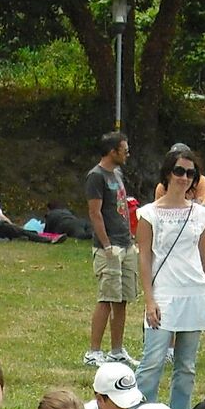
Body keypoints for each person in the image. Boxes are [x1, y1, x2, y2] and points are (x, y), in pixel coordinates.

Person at [135, 148, 205, 409]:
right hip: (164, 292)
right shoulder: (148, 214)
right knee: (152, 361)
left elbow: (203, 252)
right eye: (179, 171)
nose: (184, 177)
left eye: (190, 173)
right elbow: (144, 256)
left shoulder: (201, 214)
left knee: (187, 365)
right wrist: (149, 299)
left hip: (194, 290)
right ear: (168, 173)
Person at [81, 132, 138, 367]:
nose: (127, 153)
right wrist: (106, 246)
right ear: (112, 151)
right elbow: (95, 213)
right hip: (109, 247)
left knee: (122, 299)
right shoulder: (95, 177)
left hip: (126, 243)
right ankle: (93, 352)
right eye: (124, 149)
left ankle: (116, 350)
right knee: (106, 298)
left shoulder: (117, 173)